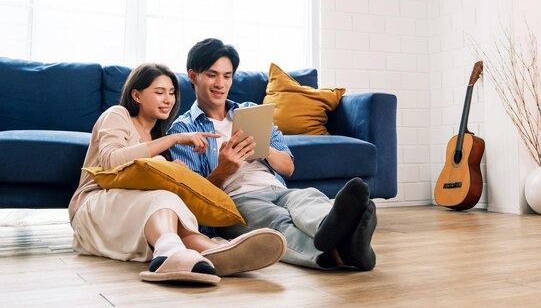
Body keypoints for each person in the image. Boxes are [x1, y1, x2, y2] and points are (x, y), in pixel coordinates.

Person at [68, 63, 287, 285]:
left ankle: (218, 252)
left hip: (136, 211)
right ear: (136, 95)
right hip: (95, 206)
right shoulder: (118, 115)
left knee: (173, 205)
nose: (168, 100)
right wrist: (174, 139)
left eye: (172, 93)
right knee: (164, 199)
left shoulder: (159, 138)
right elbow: (110, 161)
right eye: (159, 92)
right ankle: (168, 253)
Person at [168, 39, 377, 270]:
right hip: (238, 200)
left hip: (278, 189)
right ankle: (346, 250)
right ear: (193, 76)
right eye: (212, 75)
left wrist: (263, 149)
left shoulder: (252, 111)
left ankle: (328, 225)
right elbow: (193, 201)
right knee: (277, 221)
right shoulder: (183, 130)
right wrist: (223, 170)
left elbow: (288, 168)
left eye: (227, 76)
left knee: (308, 198)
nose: (220, 83)